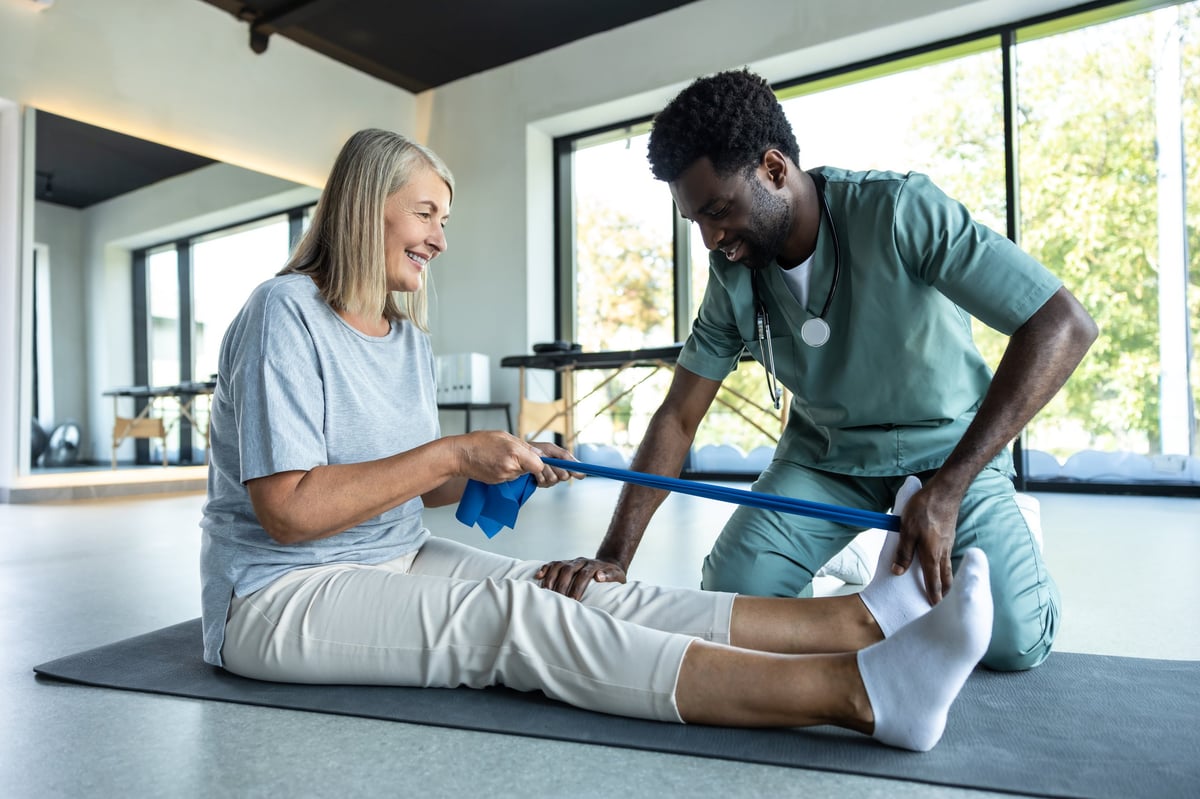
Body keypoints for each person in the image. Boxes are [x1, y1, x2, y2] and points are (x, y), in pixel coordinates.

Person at [199, 127, 995, 752]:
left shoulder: (404, 338)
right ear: (364, 204)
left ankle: (860, 619)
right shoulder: (283, 314)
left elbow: (407, 484)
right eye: (426, 213)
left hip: (392, 552)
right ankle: (862, 693)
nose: (440, 237)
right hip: (276, 594)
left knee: (579, 588)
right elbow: (290, 511)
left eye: (446, 218)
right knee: (516, 621)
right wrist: (450, 452)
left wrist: (495, 465)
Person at [536, 69, 1098, 673]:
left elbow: (1062, 324)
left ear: (775, 169)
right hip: (827, 458)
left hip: (950, 449)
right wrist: (614, 557)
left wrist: (952, 486)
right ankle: (862, 562)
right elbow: (678, 415)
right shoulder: (733, 275)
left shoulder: (898, 210)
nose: (709, 238)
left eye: (719, 210)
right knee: (733, 592)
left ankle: (993, 528)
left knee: (1013, 643)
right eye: (695, 220)